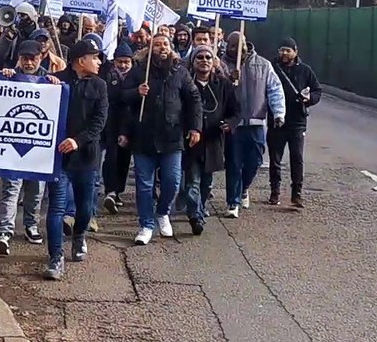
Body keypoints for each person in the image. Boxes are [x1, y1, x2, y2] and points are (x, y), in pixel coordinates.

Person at [118, 33, 201, 246]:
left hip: (172, 137)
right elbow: (122, 98)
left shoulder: (180, 71)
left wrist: (195, 127)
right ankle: (146, 224)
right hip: (143, 137)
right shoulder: (139, 72)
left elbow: (194, 99)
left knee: (172, 181)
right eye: (157, 45)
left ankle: (163, 212)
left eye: (165, 44)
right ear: (150, 48)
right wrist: (136, 92)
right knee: (144, 185)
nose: (162, 47)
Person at [44, 38, 108, 280]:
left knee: (84, 208)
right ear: (81, 60)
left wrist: (77, 141)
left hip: (86, 157)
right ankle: (55, 257)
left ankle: (79, 235)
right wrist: (46, 84)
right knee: (56, 208)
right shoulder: (57, 79)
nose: (99, 62)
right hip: (58, 158)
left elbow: (99, 122)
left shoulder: (100, 86)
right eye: (95, 58)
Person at [0, 40, 60, 253]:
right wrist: (3, 77)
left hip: (39, 150)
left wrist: (56, 85)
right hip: (12, 147)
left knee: (35, 191)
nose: (29, 63)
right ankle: (4, 232)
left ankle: (31, 226)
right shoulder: (10, 76)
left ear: (41, 58)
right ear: (19, 59)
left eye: (33, 59)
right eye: (25, 59)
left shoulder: (49, 80)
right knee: (11, 191)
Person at [222, 31, 285, 218]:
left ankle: (244, 188)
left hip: (256, 122)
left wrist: (279, 113)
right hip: (233, 124)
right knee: (233, 163)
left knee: (255, 162)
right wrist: (228, 78)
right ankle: (233, 201)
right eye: (231, 45)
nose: (236, 49)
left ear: (246, 44)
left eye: (239, 45)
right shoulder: (221, 65)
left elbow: (274, 89)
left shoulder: (263, 65)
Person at [184, 45, 240, 235]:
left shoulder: (223, 85)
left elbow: (236, 111)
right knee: (192, 182)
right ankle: (195, 216)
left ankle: (199, 208)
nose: (204, 60)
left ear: (214, 61)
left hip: (214, 142)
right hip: (191, 142)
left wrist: (230, 124)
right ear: (193, 61)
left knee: (206, 183)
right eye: (199, 57)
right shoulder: (186, 83)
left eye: (208, 57)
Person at [270, 38, 322, 208]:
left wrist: (309, 98)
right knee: (275, 158)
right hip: (276, 120)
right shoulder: (272, 67)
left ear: (295, 52)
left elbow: (317, 90)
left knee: (297, 158)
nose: (284, 53)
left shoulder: (305, 70)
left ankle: (297, 194)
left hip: (297, 121)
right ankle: (274, 192)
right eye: (281, 50)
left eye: (288, 50)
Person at [101, 41, 136, 214]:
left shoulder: (136, 77)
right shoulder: (108, 75)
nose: (123, 65)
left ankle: (118, 191)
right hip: (111, 122)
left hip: (129, 123)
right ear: (114, 61)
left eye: (126, 62)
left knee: (124, 159)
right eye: (120, 62)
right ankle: (110, 191)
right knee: (111, 158)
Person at [0, 2, 40, 69]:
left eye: (22, 15)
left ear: (31, 16)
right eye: (18, 15)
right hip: (11, 69)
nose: (19, 18)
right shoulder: (11, 32)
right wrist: (7, 39)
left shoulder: (40, 35)